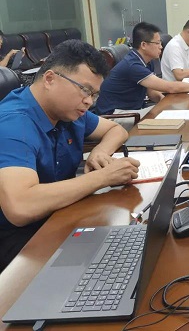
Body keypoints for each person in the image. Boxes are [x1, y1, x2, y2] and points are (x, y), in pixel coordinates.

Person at [0, 40, 140, 272]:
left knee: (129, 244)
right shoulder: (14, 123)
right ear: (50, 79)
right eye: (85, 90)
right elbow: (20, 207)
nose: (89, 101)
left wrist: (100, 152)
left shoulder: (68, 111)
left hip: (59, 215)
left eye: (94, 94)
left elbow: (116, 130)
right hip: (17, 240)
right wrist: (103, 177)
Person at [95, 22, 189, 117]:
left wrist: (163, 101)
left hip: (133, 110)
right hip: (115, 115)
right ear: (144, 45)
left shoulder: (147, 61)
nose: (161, 46)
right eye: (157, 43)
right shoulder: (133, 65)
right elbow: (170, 87)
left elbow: (151, 92)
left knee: (175, 112)